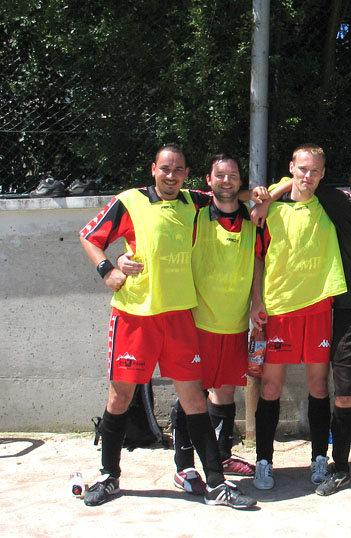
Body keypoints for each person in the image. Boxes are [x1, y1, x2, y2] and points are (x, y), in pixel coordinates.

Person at [79, 144, 256, 509]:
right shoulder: (129, 201)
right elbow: (89, 236)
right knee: (119, 398)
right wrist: (108, 269)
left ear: (186, 174)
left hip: (179, 317)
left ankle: (216, 485)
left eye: (178, 170)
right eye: (165, 169)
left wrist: (262, 198)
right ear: (153, 170)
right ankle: (109, 476)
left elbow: (229, 193)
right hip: (135, 316)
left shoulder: (193, 202)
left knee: (194, 400)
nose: (171, 176)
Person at [253, 162, 351, 496]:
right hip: (347, 315)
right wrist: (267, 200)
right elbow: (301, 180)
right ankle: (339, 467)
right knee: (343, 395)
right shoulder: (341, 209)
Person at [250, 144, 347, 490]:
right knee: (270, 387)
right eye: (303, 168)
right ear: (291, 167)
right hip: (279, 309)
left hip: (319, 307)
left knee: (319, 385)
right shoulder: (270, 209)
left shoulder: (330, 204)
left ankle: (319, 457)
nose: (308, 175)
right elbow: (258, 258)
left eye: (315, 170)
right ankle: (263, 461)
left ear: (323, 173)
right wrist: (256, 301)